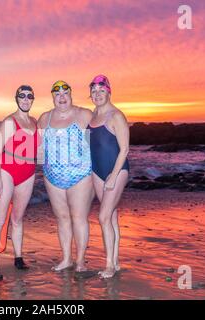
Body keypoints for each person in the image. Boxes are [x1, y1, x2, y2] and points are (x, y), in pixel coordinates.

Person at [38, 80, 94, 272]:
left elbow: (101, 138)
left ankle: (80, 261)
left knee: (79, 217)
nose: (61, 98)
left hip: (81, 174)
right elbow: (39, 147)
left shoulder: (84, 114)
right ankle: (66, 259)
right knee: (62, 217)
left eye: (65, 94)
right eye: (57, 95)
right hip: (52, 176)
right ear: (53, 97)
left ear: (70, 95)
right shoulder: (44, 118)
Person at [0, 85, 39, 280]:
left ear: (33, 99)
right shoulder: (9, 121)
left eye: (29, 96)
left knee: (18, 218)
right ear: (16, 99)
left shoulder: (34, 122)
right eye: (22, 96)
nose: (26, 99)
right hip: (8, 172)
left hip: (28, 173)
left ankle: (18, 258)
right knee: (0, 219)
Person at [87, 75, 130, 278]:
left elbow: (124, 149)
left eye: (101, 90)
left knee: (103, 217)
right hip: (96, 171)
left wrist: (113, 176)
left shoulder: (116, 116)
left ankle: (109, 265)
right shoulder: (93, 115)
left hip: (117, 171)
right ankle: (116, 261)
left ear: (109, 91)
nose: (97, 94)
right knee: (111, 216)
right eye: (94, 91)